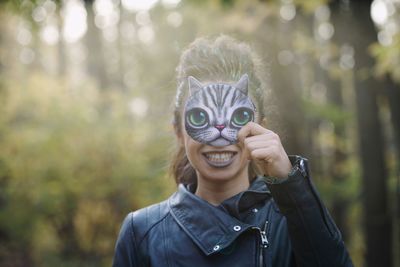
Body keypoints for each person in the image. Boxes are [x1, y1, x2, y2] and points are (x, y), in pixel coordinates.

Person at [112, 35, 353, 267]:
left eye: (238, 117)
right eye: (199, 116)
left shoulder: (295, 222)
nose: (220, 135)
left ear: (261, 129)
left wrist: (291, 186)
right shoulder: (141, 233)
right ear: (178, 131)